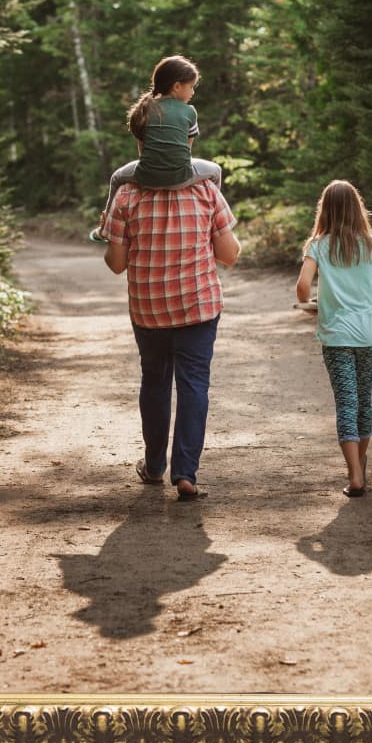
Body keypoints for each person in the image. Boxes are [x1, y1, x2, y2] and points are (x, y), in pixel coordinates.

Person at [101, 175, 241, 501]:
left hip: (149, 308)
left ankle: (153, 466)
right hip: (198, 306)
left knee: (155, 381)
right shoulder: (205, 190)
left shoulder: (126, 194)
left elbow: (116, 264)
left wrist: (106, 233)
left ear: (142, 149)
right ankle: (185, 475)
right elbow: (229, 255)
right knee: (194, 385)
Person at [295, 180, 372, 497]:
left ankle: (355, 476)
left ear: (325, 210)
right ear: (357, 208)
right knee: (363, 401)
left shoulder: (318, 245)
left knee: (346, 403)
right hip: (369, 336)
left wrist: (310, 304)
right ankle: (360, 466)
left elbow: (303, 287)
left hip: (337, 337)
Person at [91, 55, 221, 241]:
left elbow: (142, 151)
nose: (193, 92)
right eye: (191, 87)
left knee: (116, 177)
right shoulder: (190, 111)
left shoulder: (144, 108)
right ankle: (215, 223)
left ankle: (105, 227)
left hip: (147, 178)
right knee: (216, 171)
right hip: (181, 177)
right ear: (177, 86)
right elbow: (187, 150)